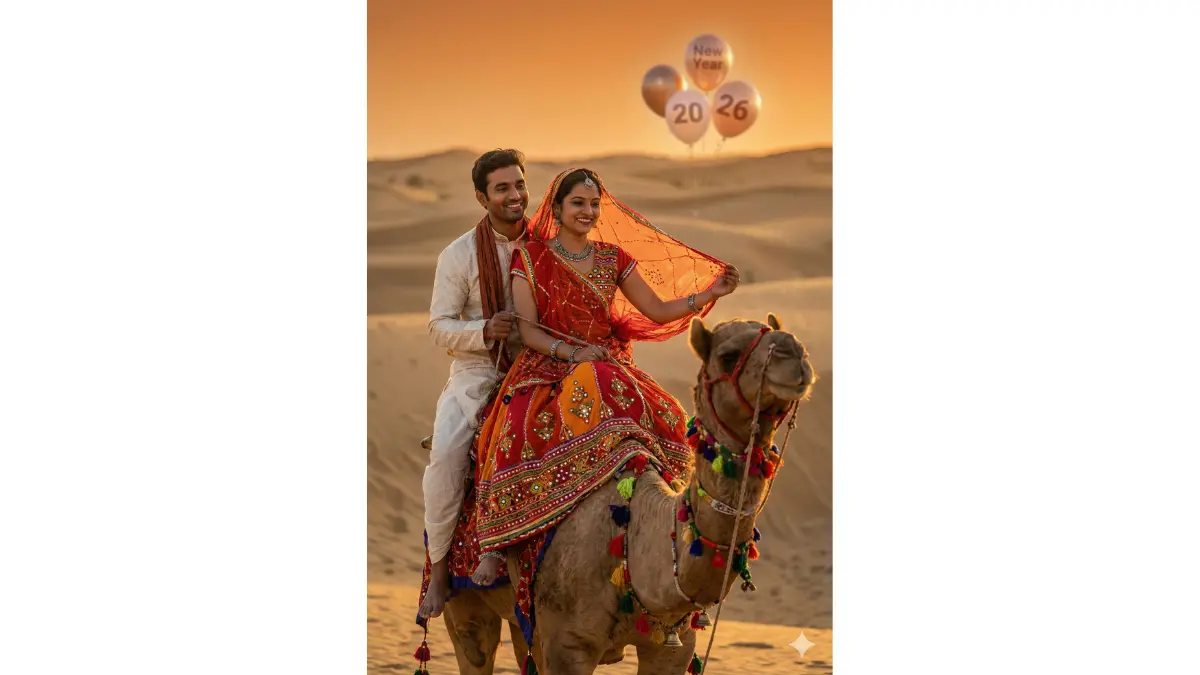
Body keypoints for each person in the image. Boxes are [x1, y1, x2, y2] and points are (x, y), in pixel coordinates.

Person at [469, 168, 740, 585]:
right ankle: (496, 543)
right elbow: (530, 332)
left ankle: (669, 529)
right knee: (514, 429)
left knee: (670, 417)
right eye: (578, 203)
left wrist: (708, 295)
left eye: (594, 204)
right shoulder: (532, 259)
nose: (588, 211)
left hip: (607, 363)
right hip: (550, 365)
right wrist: (574, 353)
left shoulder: (614, 258)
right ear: (556, 208)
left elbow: (657, 311)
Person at [417, 149, 530, 620]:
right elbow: (438, 326)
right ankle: (440, 567)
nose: (515, 195)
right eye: (502, 188)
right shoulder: (459, 255)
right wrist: (484, 330)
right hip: (478, 373)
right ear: (482, 198)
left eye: (519, 184)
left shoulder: (549, 244)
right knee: (446, 456)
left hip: (543, 367)